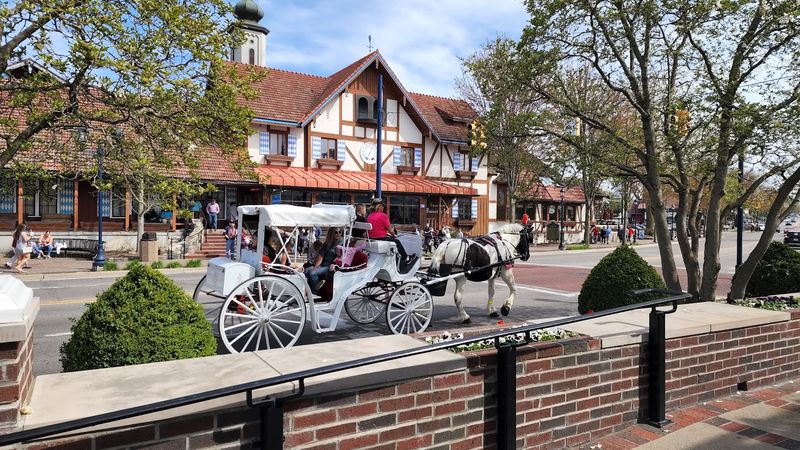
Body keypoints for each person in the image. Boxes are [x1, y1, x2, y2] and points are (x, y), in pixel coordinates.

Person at [367, 198, 415, 265]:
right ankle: (406, 258)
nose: (383, 207)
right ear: (380, 206)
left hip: (372, 239)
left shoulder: (370, 216)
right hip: (381, 239)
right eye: (383, 206)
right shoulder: (383, 216)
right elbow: (390, 230)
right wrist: (394, 235)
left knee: (390, 238)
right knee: (397, 241)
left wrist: (386, 234)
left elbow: (376, 229)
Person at [305, 228, 339, 294]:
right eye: (336, 232)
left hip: (331, 267)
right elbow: (320, 257)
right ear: (331, 234)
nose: (338, 234)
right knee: (306, 270)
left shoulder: (341, 244)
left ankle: (315, 292)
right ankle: (304, 291)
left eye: (340, 232)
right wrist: (315, 267)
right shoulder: (326, 244)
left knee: (313, 273)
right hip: (323, 265)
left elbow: (339, 257)